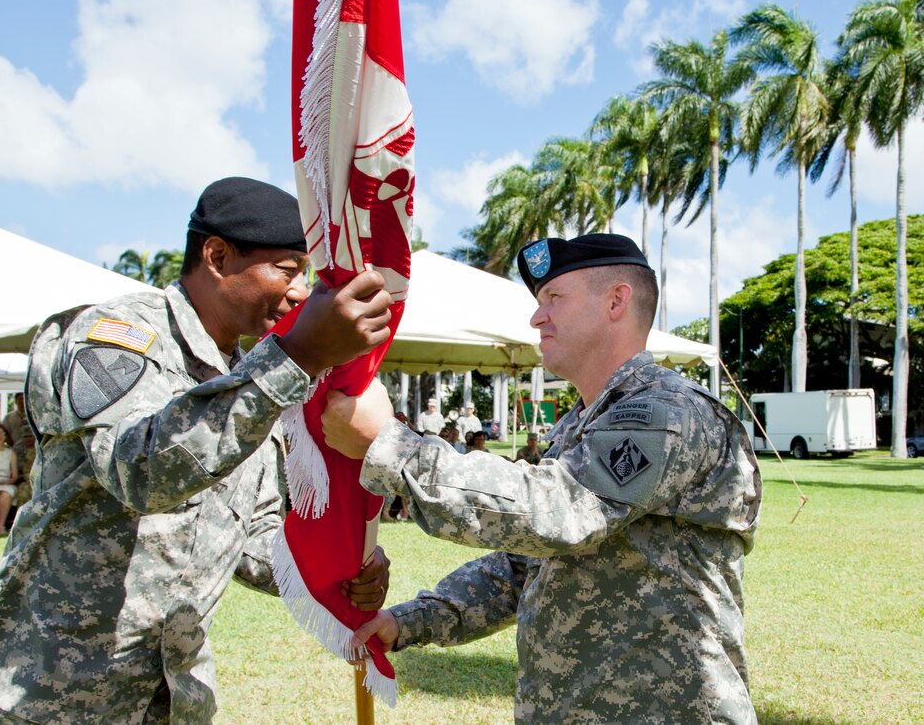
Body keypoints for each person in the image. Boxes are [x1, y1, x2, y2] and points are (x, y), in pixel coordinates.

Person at [0, 177, 394, 723]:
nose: (297, 292)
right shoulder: (117, 334)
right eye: (287, 270)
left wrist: (336, 569)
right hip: (48, 692)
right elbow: (139, 471)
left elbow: (251, 532)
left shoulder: (245, 376)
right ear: (216, 256)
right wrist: (296, 359)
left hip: (168, 696)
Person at [323, 234, 763, 723]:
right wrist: (407, 621)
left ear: (617, 300)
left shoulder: (668, 412)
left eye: (555, 298)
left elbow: (559, 512)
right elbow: (521, 567)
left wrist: (391, 448)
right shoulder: (588, 422)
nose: (536, 316)